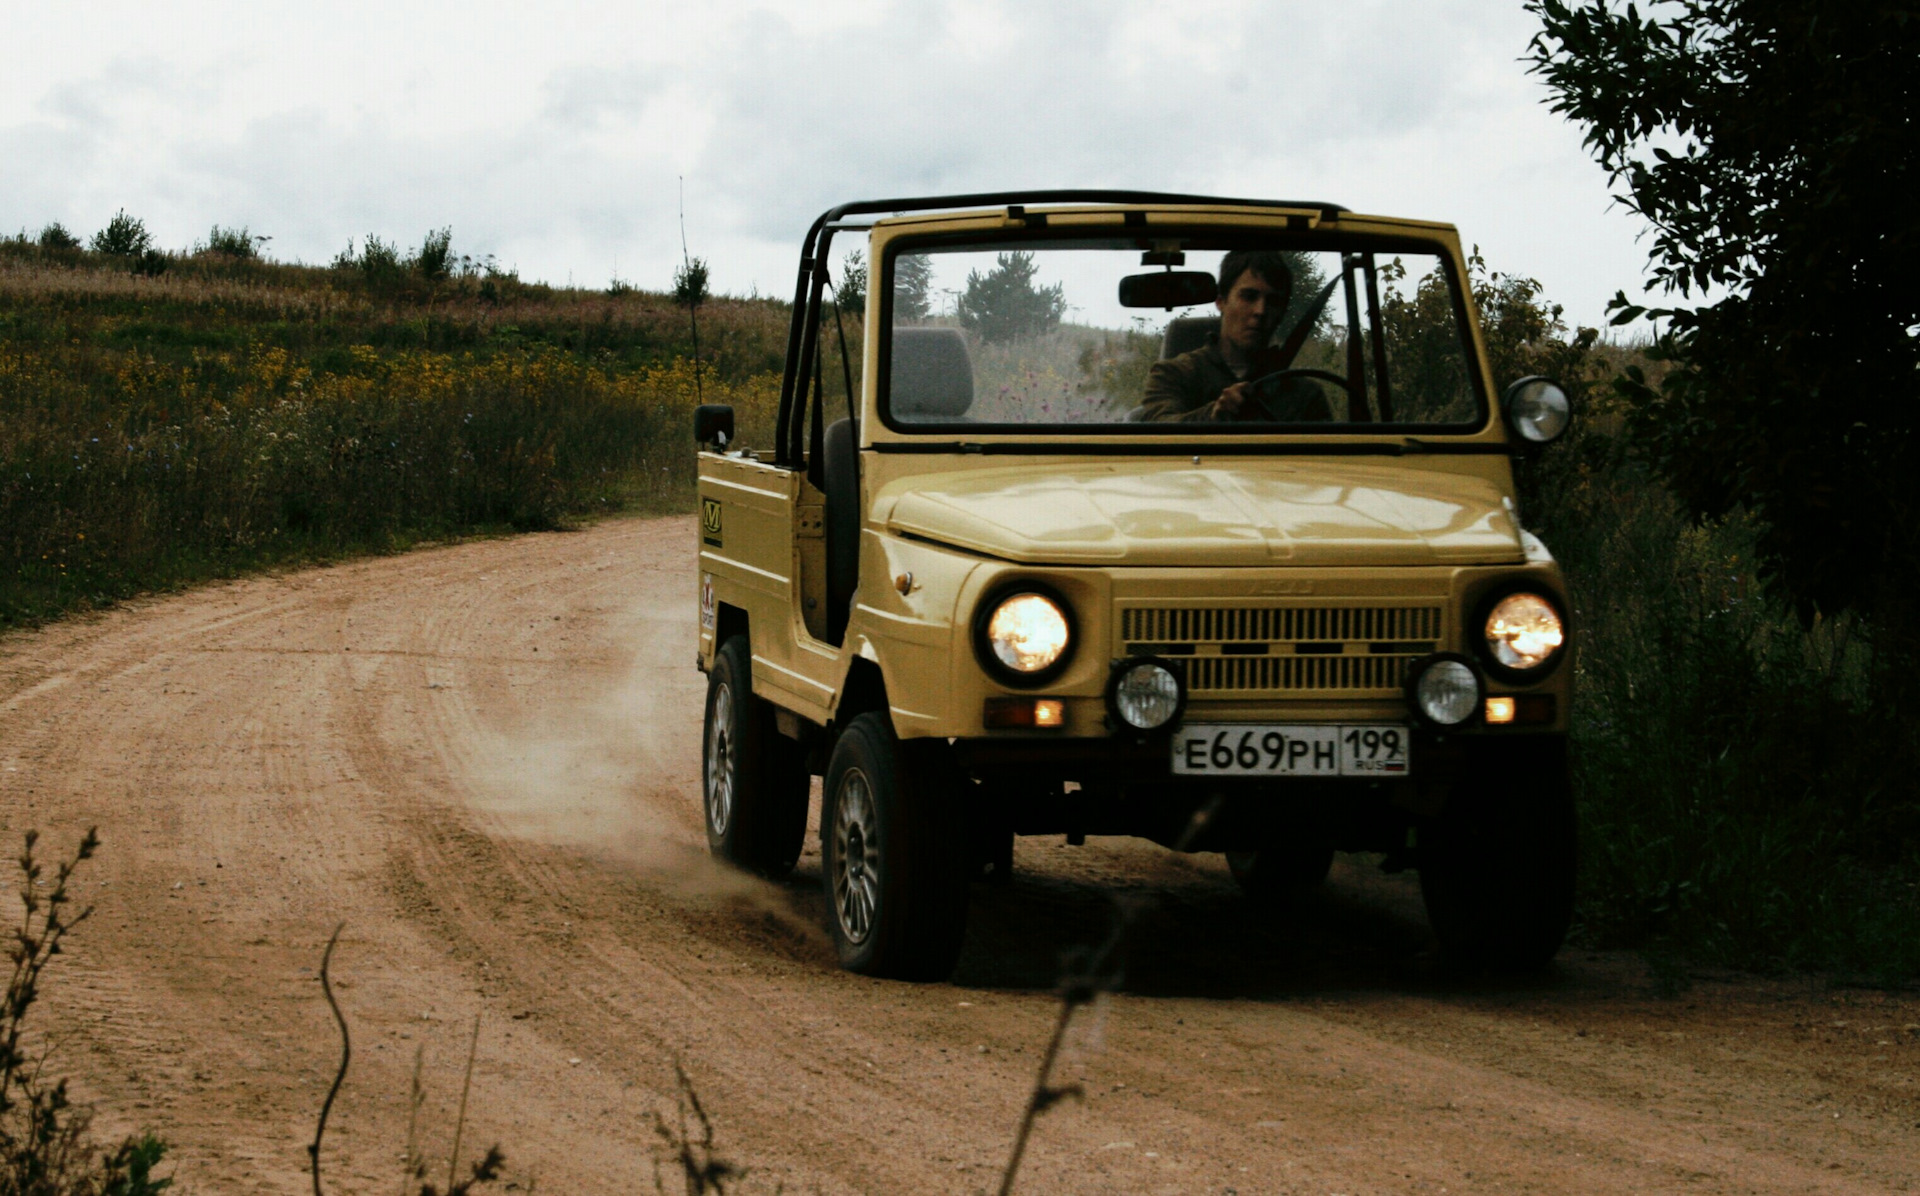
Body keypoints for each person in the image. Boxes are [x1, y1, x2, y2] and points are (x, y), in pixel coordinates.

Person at [1137, 250, 1332, 423]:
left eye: (1273, 301)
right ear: (1221, 301)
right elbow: (1157, 429)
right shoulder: (1173, 375)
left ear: (1281, 312)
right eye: (1249, 296)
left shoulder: (1304, 396)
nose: (1260, 310)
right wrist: (1213, 415)